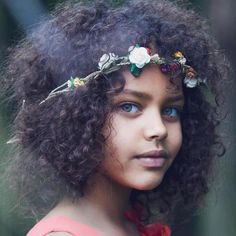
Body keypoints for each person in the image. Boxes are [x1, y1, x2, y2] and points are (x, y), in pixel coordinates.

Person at [2, 0, 229, 235]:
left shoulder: (131, 226)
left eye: (170, 111)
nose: (158, 129)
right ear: (79, 119)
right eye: (129, 107)